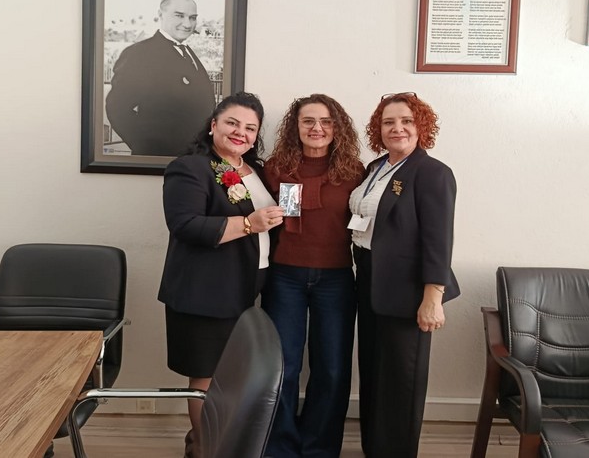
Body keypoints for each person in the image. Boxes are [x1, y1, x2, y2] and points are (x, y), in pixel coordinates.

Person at [158, 91, 285, 458]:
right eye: (232, 123)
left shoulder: (255, 170)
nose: (240, 132)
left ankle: (212, 443)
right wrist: (248, 224)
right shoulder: (190, 167)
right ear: (213, 125)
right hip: (205, 291)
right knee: (206, 377)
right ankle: (203, 448)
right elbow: (185, 225)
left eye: (250, 128)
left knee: (233, 376)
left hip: (245, 289)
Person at [349, 92, 460, 458]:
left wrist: (433, 297)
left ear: (421, 126)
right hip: (369, 280)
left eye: (406, 121)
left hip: (409, 289)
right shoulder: (375, 168)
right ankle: (374, 448)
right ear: (378, 129)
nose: (397, 128)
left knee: (401, 380)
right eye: (388, 122)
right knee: (374, 372)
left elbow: (438, 240)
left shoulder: (432, 173)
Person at [262, 94, 364, 458]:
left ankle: (319, 449)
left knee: (332, 369)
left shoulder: (354, 171)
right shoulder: (275, 168)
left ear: (337, 128)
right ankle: (281, 447)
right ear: (296, 127)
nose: (316, 128)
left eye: (325, 121)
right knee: (284, 367)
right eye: (308, 121)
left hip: (336, 280)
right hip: (284, 278)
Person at [106, 0, 216, 156]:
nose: (187, 24)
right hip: (163, 158)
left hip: (194, 157)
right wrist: (149, 147)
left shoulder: (187, 51)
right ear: (160, 14)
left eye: (192, 18)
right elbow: (117, 108)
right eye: (179, 15)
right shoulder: (139, 53)